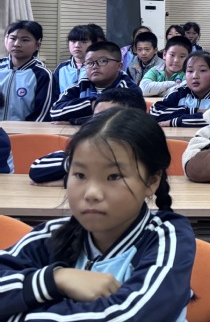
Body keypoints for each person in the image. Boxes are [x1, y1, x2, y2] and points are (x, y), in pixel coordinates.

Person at [0, 108, 195, 320]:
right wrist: (55, 280)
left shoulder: (168, 238)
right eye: (80, 175)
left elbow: (127, 316)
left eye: (114, 176)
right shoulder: (53, 234)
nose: (91, 193)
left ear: (152, 182)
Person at [30, 88, 148, 184]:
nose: (101, 123)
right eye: (96, 117)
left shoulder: (144, 151)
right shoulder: (90, 146)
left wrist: (70, 180)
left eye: (110, 117)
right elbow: (36, 168)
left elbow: (122, 182)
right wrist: (81, 162)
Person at [50, 41, 140, 124]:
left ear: (119, 66)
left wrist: (74, 120)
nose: (94, 66)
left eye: (102, 61)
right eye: (89, 63)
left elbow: (116, 121)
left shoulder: (129, 89)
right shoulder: (81, 84)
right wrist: (93, 104)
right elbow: (55, 112)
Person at [150, 52, 210, 127]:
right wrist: (194, 111)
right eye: (190, 71)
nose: (195, 76)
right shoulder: (180, 92)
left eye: (202, 70)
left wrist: (175, 121)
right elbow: (155, 112)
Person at [0, 21, 53, 122]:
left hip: (26, 130)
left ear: (37, 45)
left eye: (25, 40)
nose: (16, 44)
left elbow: (42, 113)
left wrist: (25, 130)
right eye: (13, 38)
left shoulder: (42, 74)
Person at [53, 25, 97, 96]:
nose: (77, 45)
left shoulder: (97, 67)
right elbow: (55, 95)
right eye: (73, 41)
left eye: (83, 42)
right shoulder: (61, 68)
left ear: (93, 44)